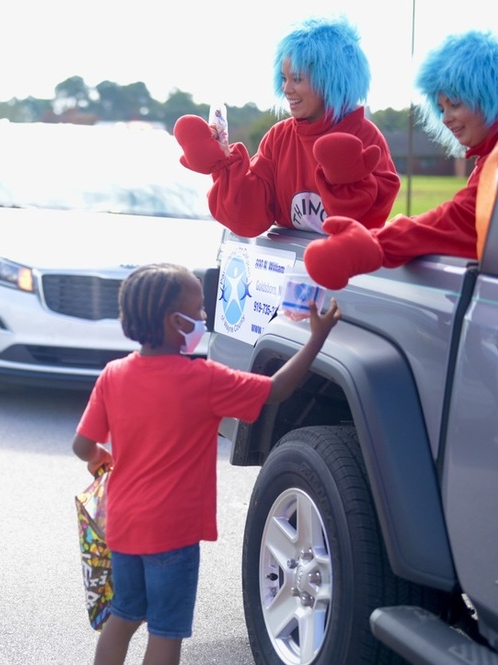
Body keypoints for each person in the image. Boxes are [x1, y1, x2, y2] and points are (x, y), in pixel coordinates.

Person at [71, 263, 341, 665]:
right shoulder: (204, 380)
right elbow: (277, 389)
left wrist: (101, 459)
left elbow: (82, 445)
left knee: (124, 616)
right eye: (198, 312)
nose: (203, 319)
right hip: (173, 533)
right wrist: (315, 340)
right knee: (166, 630)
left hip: (123, 524)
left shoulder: (114, 375)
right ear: (174, 322)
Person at [304, 30, 498, 290]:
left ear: (490, 95)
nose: (445, 118)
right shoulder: (497, 156)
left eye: (454, 104)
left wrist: (375, 245)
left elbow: (461, 218)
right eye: (441, 108)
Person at [174, 16, 400, 238]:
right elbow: (252, 216)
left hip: (346, 269)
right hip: (286, 270)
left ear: (331, 80)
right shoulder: (279, 137)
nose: (286, 88)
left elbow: (372, 215)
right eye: (283, 78)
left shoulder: (364, 135)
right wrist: (223, 164)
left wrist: (349, 179)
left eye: (297, 79)